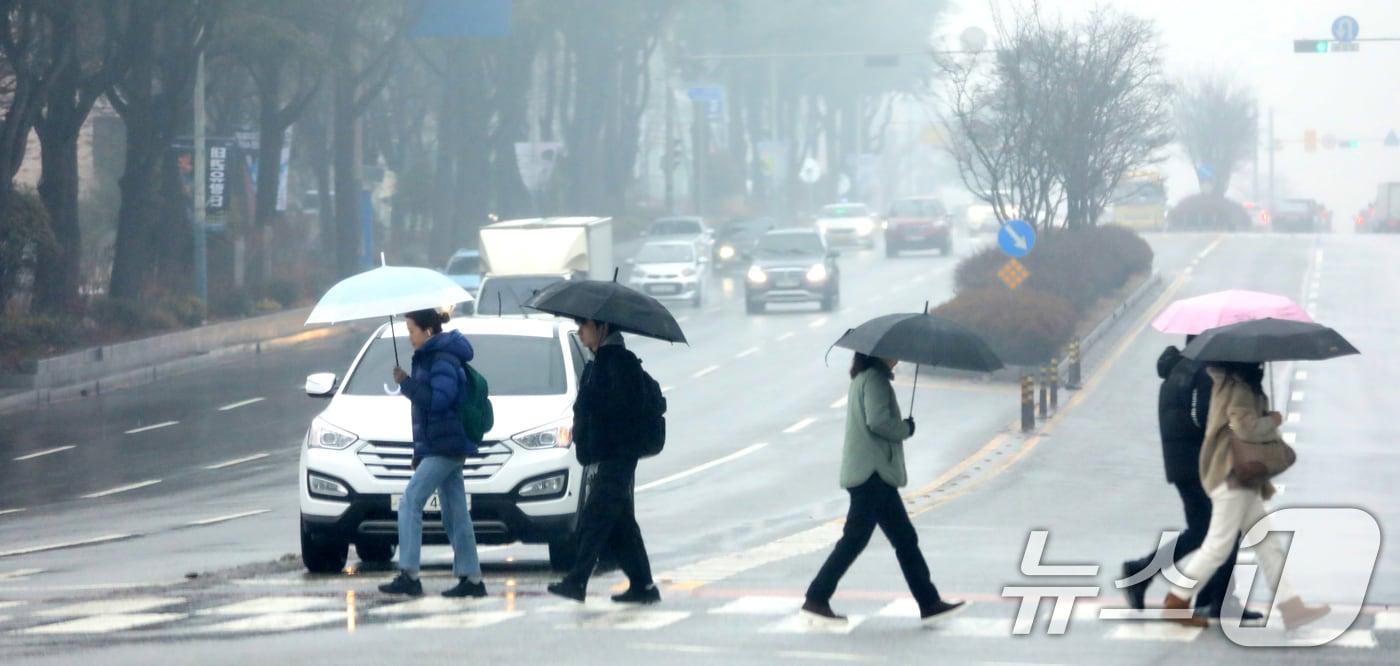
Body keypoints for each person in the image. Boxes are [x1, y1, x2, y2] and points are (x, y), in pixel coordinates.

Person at [1162, 362, 1329, 628]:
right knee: (1218, 546)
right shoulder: (1239, 387)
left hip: (1241, 478)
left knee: (1267, 544)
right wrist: (1271, 421)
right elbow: (1243, 426)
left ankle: (1291, 606)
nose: (1262, 363)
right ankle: (1177, 600)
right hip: (1232, 476)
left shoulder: (1234, 382)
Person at [801, 352, 963, 626]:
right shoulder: (875, 380)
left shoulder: (862, 379)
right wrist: (905, 429)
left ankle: (929, 603)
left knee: (904, 540)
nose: (897, 358)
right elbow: (877, 422)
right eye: (893, 353)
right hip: (873, 475)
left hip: (874, 474)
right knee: (857, 540)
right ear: (879, 355)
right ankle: (816, 597)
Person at [1121, 342, 1262, 622]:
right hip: (1200, 465)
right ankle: (1211, 599)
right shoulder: (1200, 374)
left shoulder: (1181, 370)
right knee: (1222, 531)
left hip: (1184, 464)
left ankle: (1199, 594)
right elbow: (1206, 421)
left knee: (1206, 531)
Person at [547, 318, 659, 604]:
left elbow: (619, 410)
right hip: (609, 453)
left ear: (602, 328)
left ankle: (577, 581)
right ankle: (644, 586)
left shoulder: (619, 363)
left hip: (617, 454)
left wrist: (593, 404)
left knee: (594, 519)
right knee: (621, 526)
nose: (581, 333)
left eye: (584, 327)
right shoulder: (602, 361)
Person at [379, 308, 486, 598]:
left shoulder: (442, 358)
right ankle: (472, 579)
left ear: (428, 330)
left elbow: (439, 401)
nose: (408, 336)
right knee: (455, 513)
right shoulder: (431, 356)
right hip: (442, 444)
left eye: (411, 330)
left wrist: (407, 384)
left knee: (410, 500)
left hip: (447, 444)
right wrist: (420, 450)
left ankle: (409, 575)